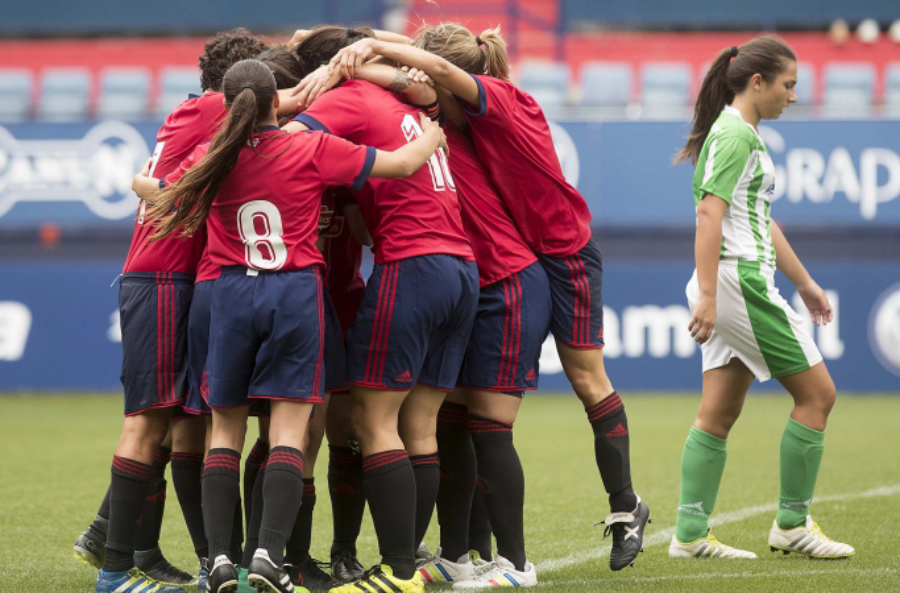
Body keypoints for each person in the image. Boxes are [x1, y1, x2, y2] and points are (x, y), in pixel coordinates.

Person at [328, 26, 650, 572]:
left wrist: (362, 53)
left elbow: (434, 72)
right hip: (502, 267)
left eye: (424, 73)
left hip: (561, 252)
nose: (414, 82)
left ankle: (625, 505)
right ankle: (461, 554)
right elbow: (426, 74)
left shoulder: (501, 98)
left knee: (584, 379)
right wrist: (356, 41)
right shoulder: (448, 121)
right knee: (460, 416)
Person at [134, 58, 444, 593]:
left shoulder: (214, 157)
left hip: (231, 294)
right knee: (288, 432)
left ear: (227, 106)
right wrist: (433, 132)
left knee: (224, 432)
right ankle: (267, 556)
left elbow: (157, 193)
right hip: (295, 294)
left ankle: (220, 562)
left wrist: (139, 176)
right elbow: (400, 164)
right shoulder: (311, 147)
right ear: (278, 101)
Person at [285, 41, 479, 593]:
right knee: (419, 424)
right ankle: (406, 565)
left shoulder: (352, 97)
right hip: (461, 269)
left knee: (372, 421)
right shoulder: (414, 104)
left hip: (412, 265)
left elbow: (286, 144)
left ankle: (397, 571)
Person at [83, 29, 267, 593]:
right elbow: (290, 99)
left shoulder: (199, 113)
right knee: (148, 423)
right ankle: (114, 570)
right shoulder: (215, 108)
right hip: (163, 278)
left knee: (185, 424)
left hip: (178, 279)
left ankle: (189, 556)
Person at [669, 37, 855, 560]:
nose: (793, 96)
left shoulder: (737, 133)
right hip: (739, 283)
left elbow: (757, 219)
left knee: (718, 412)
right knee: (818, 396)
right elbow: (709, 214)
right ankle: (792, 524)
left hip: (731, 280)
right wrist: (710, 295)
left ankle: (689, 534)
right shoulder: (736, 136)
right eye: (788, 85)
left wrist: (804, 282)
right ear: (757, 82)